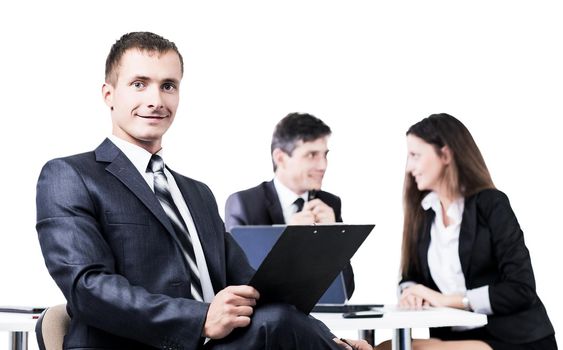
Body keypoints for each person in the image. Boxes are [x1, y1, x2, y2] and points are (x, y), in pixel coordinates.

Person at [35, 31, 370, 350]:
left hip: (222, 344)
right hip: (137, 343)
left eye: (168, 86)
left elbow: (254, 289)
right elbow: (87, 289)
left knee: (276, 316)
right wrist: (200, 319)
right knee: (275, 323)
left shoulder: (197, 194)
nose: (155, 100)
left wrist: (330, 339)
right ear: (109, 94)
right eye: (139, 84)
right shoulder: (70, 175)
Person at [376, 113, 557, 350]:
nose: (410, 167)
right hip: (455, 337)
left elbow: (520, 289)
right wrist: (411, 292)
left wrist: (449, 301)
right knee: (384, 347)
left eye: (415, 156)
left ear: (446, 154)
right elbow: (410, 277)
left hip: (510, 338)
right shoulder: (425, 213)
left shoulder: (491, 204)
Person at [224, 112, 355, 298]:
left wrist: (333, 237)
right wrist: (288, 242)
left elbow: (345, 292)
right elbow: (240, 283)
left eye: (325, 155)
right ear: (280, 158)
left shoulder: (330, 204)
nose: (323, 165)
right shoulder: (245, 204)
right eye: (312, 155)